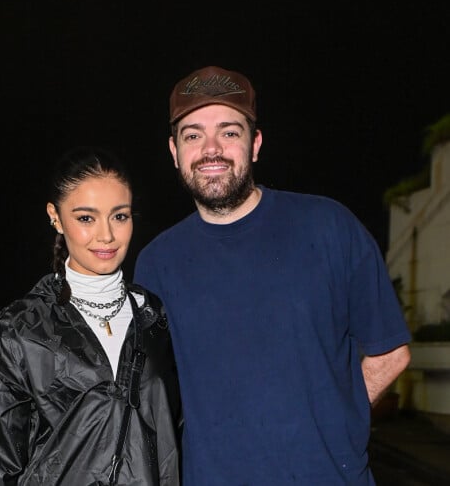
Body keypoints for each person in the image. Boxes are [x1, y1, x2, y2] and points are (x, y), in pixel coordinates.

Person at [134, 65, 411, 485]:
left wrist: (338, 424)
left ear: (255, 144)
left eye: (229, 132)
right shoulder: (156, 263)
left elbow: (391, 353)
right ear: (174, 151)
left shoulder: (328, 227)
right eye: (193, 135)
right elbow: (151, 393)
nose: (212, 149)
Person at [0, 147, 181, 486]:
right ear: (55, 216)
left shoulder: (157, 319)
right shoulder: (17, 331)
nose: (106, 235)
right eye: (86, 218)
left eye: (119, 216)